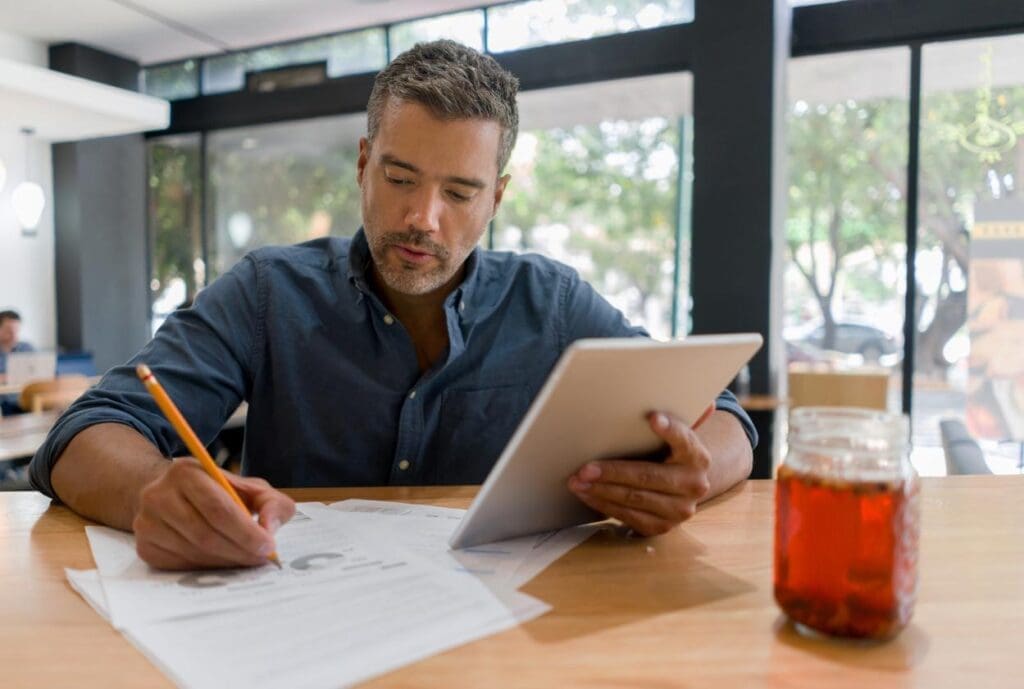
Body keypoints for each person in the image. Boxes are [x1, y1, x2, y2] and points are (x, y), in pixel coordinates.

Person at [30, 40, 757, 570]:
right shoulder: (266, 293)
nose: (423, 218)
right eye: (400, 177)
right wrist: (149, 487)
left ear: (496, 197)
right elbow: (88, 431)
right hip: (294, 620)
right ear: (361, 164)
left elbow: (722, 416)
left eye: (460, 192)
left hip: (495, 637)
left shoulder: (551, 302)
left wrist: (695, 473)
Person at [0, 310, 36, 416]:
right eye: (9, 331)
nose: (13, 335)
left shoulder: (27, 348)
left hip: (27, 400)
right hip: (4, 403)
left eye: (16, 330)